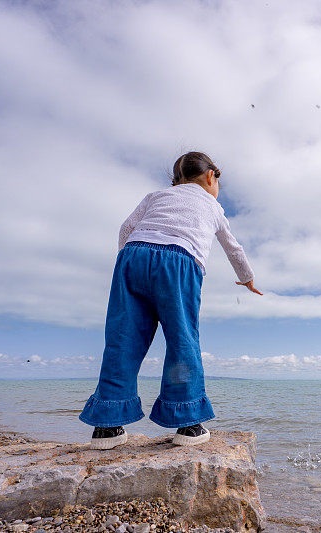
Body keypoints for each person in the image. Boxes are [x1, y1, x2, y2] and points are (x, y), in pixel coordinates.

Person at [78, 151, 262, 449]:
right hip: (179, 262)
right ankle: (188, 424)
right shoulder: (212, 206)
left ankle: (107, 427)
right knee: (182, 340)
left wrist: (129, 260)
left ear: (176, 180)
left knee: (122, 339)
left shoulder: (156, 196)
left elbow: (126, 228)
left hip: (132, 256)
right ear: (210, 176)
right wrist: (248, 278)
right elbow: (234, 249)